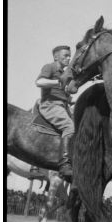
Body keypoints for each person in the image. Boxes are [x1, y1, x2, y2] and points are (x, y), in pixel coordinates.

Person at [35, 45, 75, 178]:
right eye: (66, 55)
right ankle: (64, 164)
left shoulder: (65, 73)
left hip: (63, 106)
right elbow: (39, 82)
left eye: (70, 56)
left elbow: (63, 94)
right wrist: (58, 82)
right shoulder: (50, 67)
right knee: (69, 127)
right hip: (50, 105)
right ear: (56, 56)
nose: (69, 58)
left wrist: (69, 99)